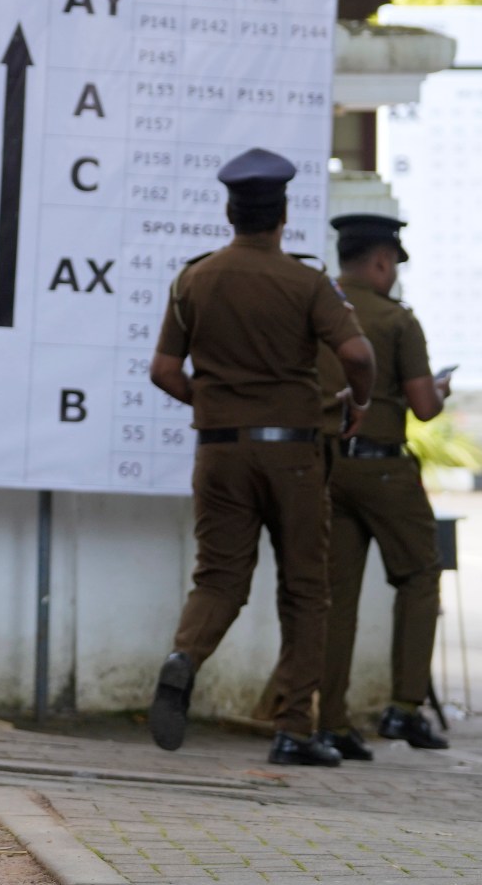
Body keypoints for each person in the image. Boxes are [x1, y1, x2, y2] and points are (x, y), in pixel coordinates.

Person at [146, 149, 373, 768]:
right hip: (294, 455)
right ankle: (295, 728)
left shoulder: (193, 279)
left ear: (229, 211)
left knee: (219, 577)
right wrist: (360, 401)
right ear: (283, 215)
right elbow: (356, 354)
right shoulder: (305, 283)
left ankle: (184, 657)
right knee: (304, 588)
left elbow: (164, 370)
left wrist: (214, 402)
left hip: (219, 453)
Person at [312, 214, 453, 761]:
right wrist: (440, 390)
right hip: (383, 470)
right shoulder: (397, 320)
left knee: (336, 595)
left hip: (328, 465)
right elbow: (421, 406)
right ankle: (404, 706)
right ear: (380, 261)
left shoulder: (319, 307)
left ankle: (330, 720)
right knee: (420, 574)